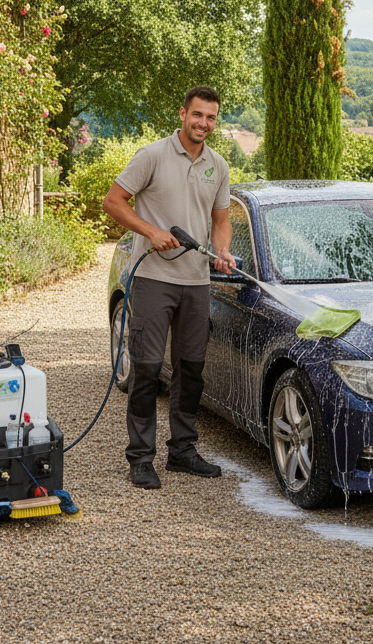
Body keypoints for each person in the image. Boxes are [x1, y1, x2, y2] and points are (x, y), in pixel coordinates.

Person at [103, 86, 236, 489]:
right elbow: (113, 201)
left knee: (191, 369)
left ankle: (182, 451)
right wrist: (151, 231)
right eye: (198, 115)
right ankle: (141, 458)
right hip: (153, 280)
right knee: (146, 369)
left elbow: (221, 220)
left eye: (211, 118)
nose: (204, 124)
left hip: (197, 282)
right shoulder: (152, 156)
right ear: (183, 114)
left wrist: (222, 251)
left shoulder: (218, 166)